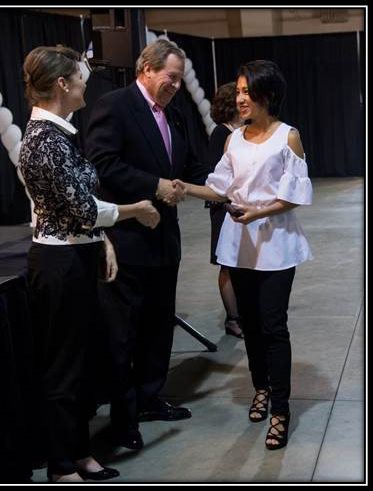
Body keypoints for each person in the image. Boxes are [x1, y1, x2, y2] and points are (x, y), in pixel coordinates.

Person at [19, 45, 160, 483]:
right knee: (63, 368)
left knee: (82, 363)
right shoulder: (42, 142)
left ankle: (79, 451)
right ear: (63, 84)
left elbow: (78, 211)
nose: (86, 83)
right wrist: (137, 209)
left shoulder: (60, 134)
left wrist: (102, 241)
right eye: (81, 76)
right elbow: (83, 209)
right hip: (59, 264)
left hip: (76, 253)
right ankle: (62, 466)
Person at [174, 60, 313, 450]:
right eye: (237, 91)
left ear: (267, 95)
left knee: (273, 326)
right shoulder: (233, 139)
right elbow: (220, 187)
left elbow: (295, 196)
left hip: (276, 246)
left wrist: (257, 212)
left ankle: (281, 411)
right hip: (240, 245)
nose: (239, 98)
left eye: (246, 91)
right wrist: (184, 186)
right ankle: (260, 388)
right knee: (250, 325)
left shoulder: (288, 137)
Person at [85, 39, 209, 450]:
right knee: (123, 335)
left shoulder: (174, 117)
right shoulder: (115, 106)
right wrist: (155, 186)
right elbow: (102, 165)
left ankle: (150, 397)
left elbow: (189, 169)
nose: (175, 85)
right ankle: (123, 421)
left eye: (178, 79)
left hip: (164, 241)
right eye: (170, 77)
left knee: (158, 327)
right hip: (126, 241)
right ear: (147, 69)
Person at [206, 82, 244, 339]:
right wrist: (228, 204)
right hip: (224, 208)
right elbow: (214, 176)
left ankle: (244, 313)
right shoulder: (221, 133)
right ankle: (233, 319)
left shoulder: (245, 131)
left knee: (242, 262)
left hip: (241, 208)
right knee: (228, 264)